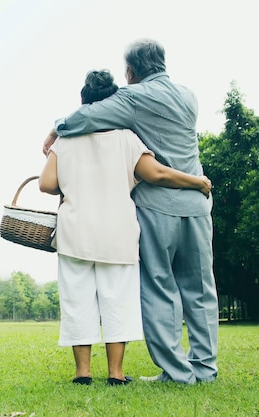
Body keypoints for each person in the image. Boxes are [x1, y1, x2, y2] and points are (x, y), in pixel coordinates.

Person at [42, 39, 218, 385]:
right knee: (201, 289)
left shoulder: (132, 98)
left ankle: (178, 373)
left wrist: (54, 129)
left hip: (159, 207)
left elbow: (85, 117)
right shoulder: (189, 96)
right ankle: (205, 368)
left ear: (130, 71)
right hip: (197, 206)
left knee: (159, 288)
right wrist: (197, 183)